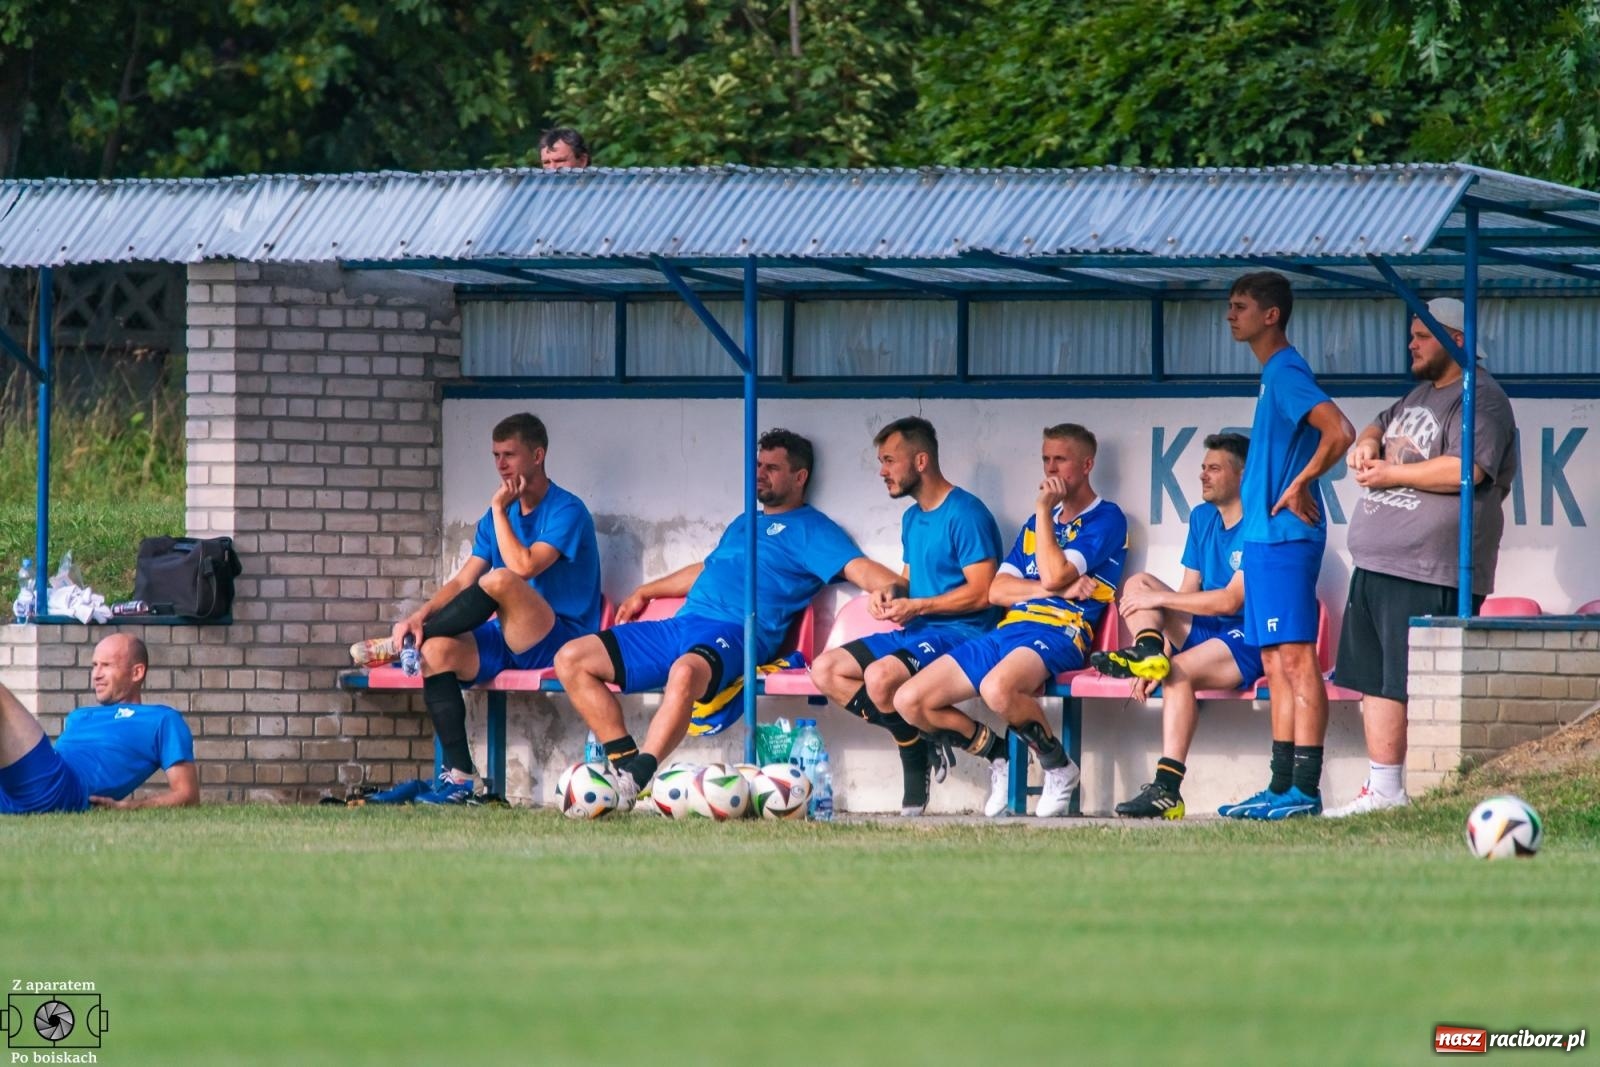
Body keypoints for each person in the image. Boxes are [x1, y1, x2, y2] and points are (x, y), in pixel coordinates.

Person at [553, 428, 902, 811]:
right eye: (758, 465)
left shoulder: (813, 529)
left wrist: (891, 587)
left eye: (772, 467)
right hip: (684, 624)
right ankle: (624, 767)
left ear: (800, 477)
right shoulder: (743, 522)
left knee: (685, 672)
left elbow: (860, 569)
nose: (760, 474)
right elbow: (707, 568)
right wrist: (647, 590)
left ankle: (638, 775)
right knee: (571, 658)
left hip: (737, 633)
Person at [1326, 297, 1519, 817]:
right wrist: (1367, 446)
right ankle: (1384, 789)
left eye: (1423, 336)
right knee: (1376, 679)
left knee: (1407, 679)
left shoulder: (1482, 398)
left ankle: (1429, 791)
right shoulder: (1418, 394)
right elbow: (1377, 424)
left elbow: (1467, 470)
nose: (1411, 344)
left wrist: (1391, 474)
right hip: (1378, 563)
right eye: (1412, 334)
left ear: (1455, 338)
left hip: (1427, 566)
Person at [351, 412, 602, 803]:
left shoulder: (567, 509)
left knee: (501, 579)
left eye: (510, 455)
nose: (501, 465)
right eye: (495, 456)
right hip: (508, 635)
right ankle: (460, 778)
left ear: (538, 455)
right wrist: (419, 616)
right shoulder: (493, 517)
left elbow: (524, 567)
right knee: (436, 653)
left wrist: (502, 510)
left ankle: (404, 646)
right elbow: (462, 581)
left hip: (560, 638)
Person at [893, 424, 1127, 819]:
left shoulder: (1107, 517)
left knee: (997, 688)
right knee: (909, 700)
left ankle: (1058, 766)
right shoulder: (1039, 523)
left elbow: (1052, 573)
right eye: (1045, 459)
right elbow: (997, 592)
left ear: (1087, 465)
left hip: (1062, 632)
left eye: (1061, 460)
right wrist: (1052, 588)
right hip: (1010, 628)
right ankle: (996, 756)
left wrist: (1042, 516)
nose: (1051, 469)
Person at [808, 417, 1003, 816]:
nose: (882, 471)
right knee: (826, 670)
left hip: (964, 633)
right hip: (919, 629)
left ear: (920, 461)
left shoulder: (966, 513)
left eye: (889, 460)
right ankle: (915, 742)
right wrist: (892, 593)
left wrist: (919, 606)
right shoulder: (912, 517)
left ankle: (997, 751)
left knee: (881, 680)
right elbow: (912, 582)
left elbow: (983, 592)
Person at [1217, 272, 1354, 821]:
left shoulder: (1287, 368)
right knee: (1274, 662)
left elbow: (1339, 430)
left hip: (1286, 538)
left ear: (1270, 315)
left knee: (1297, 661)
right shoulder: (1271, 374)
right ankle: (1279, 787)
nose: (1231, 314)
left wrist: (1301, 482)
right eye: (1230, 306)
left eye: (1241, 306)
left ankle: (1305, 788)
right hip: (1263, 538)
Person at [1089, 433, 1261, 819]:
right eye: (1203, 467)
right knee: (1137, 584)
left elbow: (1231, 600)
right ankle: (1149, 652)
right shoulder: (1202, 518)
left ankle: (1167, 789)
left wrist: (1161, 603)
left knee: (1178, 672)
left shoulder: (1258, 522)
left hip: (1247, 636)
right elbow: (1188, 591)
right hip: (1206, 630)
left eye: (1214, 468)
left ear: (1242, 475)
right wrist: (1163, 649)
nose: (1203, 475)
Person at [1, 633, 197, 813]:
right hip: (13, 792)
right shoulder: (80, 715)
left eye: (106, 665)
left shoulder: (161, 719)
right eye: (95, 665)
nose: (96, 674)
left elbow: (188, 794)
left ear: (136, 673)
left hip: (58, 790)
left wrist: (128, 806)